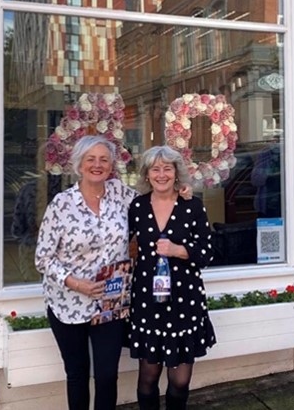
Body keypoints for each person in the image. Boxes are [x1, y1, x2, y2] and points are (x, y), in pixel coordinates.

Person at [34, 135, 135, 410]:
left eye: (103, 159)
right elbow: (42, 258)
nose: (97, 164)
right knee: (77, 374)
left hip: (109, 302)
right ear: (79, 165)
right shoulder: (62, 204)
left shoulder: (121, 194)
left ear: (111, 165)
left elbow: (154, 206)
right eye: (90, 159)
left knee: (106, 375)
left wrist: (180, 191)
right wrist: (76, 283)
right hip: (68, 303)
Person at [128, 146, 217, 410]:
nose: (162, 174)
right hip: (147, 301)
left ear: (177, 173)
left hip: (184, 302)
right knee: (148, 377)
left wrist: (179, 250)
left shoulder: (192, 206)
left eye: (167, 168)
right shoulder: (138, 207)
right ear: (147, 174)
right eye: (155, 169)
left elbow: (208, 253)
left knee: (180, 381)